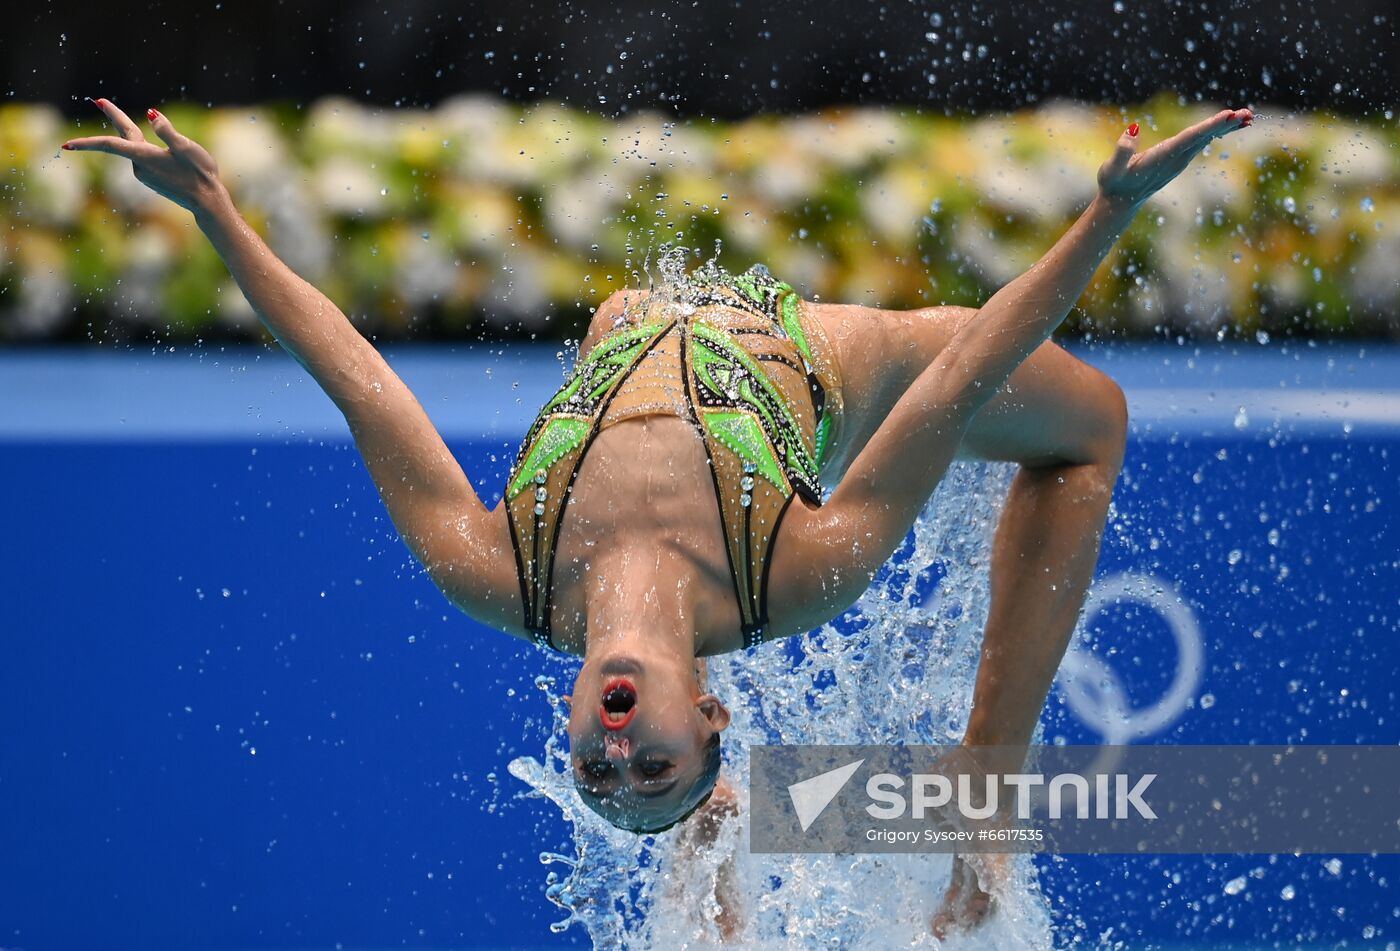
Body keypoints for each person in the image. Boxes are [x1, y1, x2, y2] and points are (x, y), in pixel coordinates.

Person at [63, 99, 1252, 935]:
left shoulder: (492, 570)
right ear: (711, 709)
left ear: (572, 720)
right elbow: (956, 383)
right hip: (831, 360)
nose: (619, 750)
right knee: (1089, 423)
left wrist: (215, 209)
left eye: (599, 766)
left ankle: (764, 834)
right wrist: (1105, 216)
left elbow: (358, 378)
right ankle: (987, 771)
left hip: (634, 320)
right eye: (657, 767)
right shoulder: (796, 570)